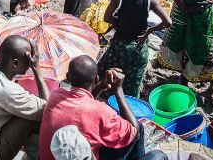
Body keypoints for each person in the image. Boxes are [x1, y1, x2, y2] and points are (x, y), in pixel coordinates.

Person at [38, 56, 167, 160]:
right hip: (78, 152)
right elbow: (135, 133)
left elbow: (83, 104)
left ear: (67, 77)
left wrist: (100, 87)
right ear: (96, 79)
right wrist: (118, 90)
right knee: (157, 154)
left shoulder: (56, 96)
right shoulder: (101, 111)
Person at [98, 0, 172, 97]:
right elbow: (168, 22)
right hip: (138, 49)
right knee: (133, 84)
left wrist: (117, 22)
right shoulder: (150, 0)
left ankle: (107, 100)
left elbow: (107, 17)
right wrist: (149, 31)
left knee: (108, 74)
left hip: (119, 46)